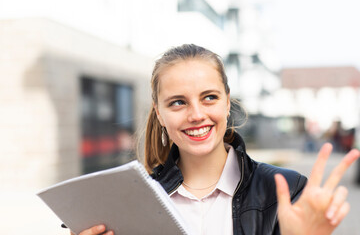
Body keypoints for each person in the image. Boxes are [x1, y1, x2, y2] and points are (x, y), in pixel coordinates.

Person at [74, 44, 360, 235]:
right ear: (159, 114)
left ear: (226, 103)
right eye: (177, 103)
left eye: (209, 97)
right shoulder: (133, 201)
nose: (196, 114)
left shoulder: (286, 190)